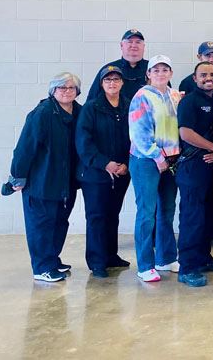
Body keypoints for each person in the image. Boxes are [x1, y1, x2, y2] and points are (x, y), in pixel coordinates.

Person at [11, 72, 82, 282]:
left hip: (66, 182)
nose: (67, 91)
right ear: (53, 91)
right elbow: (25, 148)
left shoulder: (79, 112)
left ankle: (52, 259)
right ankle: (41, 267)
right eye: (62, 88)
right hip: (42, 181)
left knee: (60, 222)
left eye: (71, 88)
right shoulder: (42, 113)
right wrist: (18, 176)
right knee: (41, 225)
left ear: (77, 91)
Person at [128, 55, 181, 282]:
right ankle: (145, 264)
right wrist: (156, 155)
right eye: (156, 70)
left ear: (170, 73)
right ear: (148, 74)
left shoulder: (173, 95)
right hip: (146, 161)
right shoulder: (142, 97)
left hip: (171, 159)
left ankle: (166, 257)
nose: (160, 73)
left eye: (165, 69)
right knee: (147, 213)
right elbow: (139, 133)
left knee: (167, 211)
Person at [76, 66, 131, 278]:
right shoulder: (91, 108)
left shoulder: (128, 106)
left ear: (122, 83)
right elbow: (84, 143)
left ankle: (111, 255)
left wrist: (125, 163)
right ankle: (97, 261)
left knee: (112, 215)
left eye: (116, 79)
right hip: (96, 174)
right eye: (107, 80)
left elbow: (134, 137)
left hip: (121, 172)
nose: (112, 83)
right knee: (97, 216)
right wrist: (106, 164)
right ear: (101, 84)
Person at [174, 62, 213, 288]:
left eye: (212, 75)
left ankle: (204, 258)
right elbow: (185, 133)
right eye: (203, 75)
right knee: (192, 217)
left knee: (207, 216)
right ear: (195, 79)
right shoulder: (189, 101)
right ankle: (188, 267)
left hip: (210, 167)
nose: (209, 78)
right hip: (192, 167)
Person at [87, 29, 148, 101]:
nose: (134, 45)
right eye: (129, 42)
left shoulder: (153, 69)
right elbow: (91, 100)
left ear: (143, 46)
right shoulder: (108, 70)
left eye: (138, 42)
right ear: (121, 45)